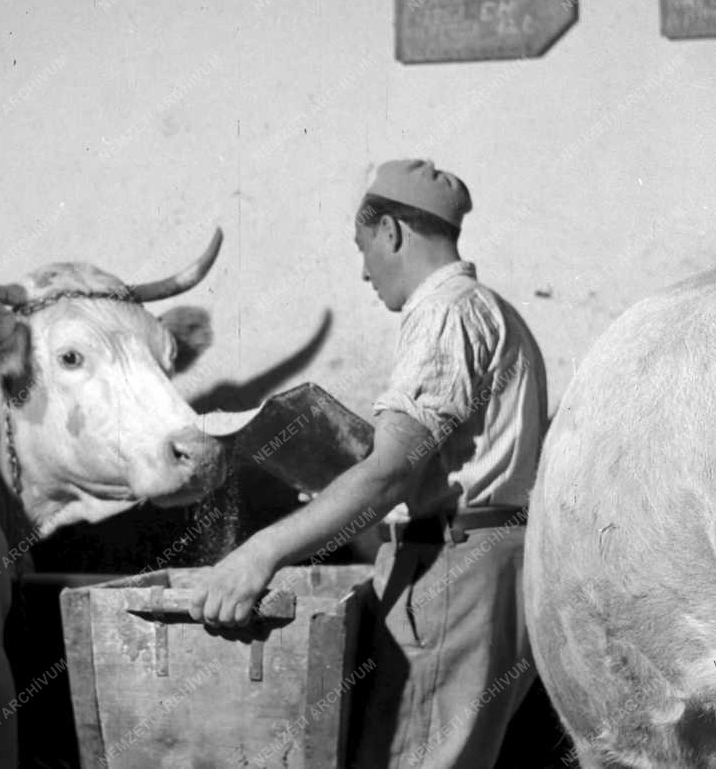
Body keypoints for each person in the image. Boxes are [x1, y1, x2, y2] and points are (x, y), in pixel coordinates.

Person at [189, 159, 549, 768]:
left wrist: (260, 552)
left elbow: (388, 472)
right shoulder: (494, 310)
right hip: (500, 563)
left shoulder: (444, 313)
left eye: (363, 247)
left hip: (455, 568)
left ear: (391, 233)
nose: (364, 270)